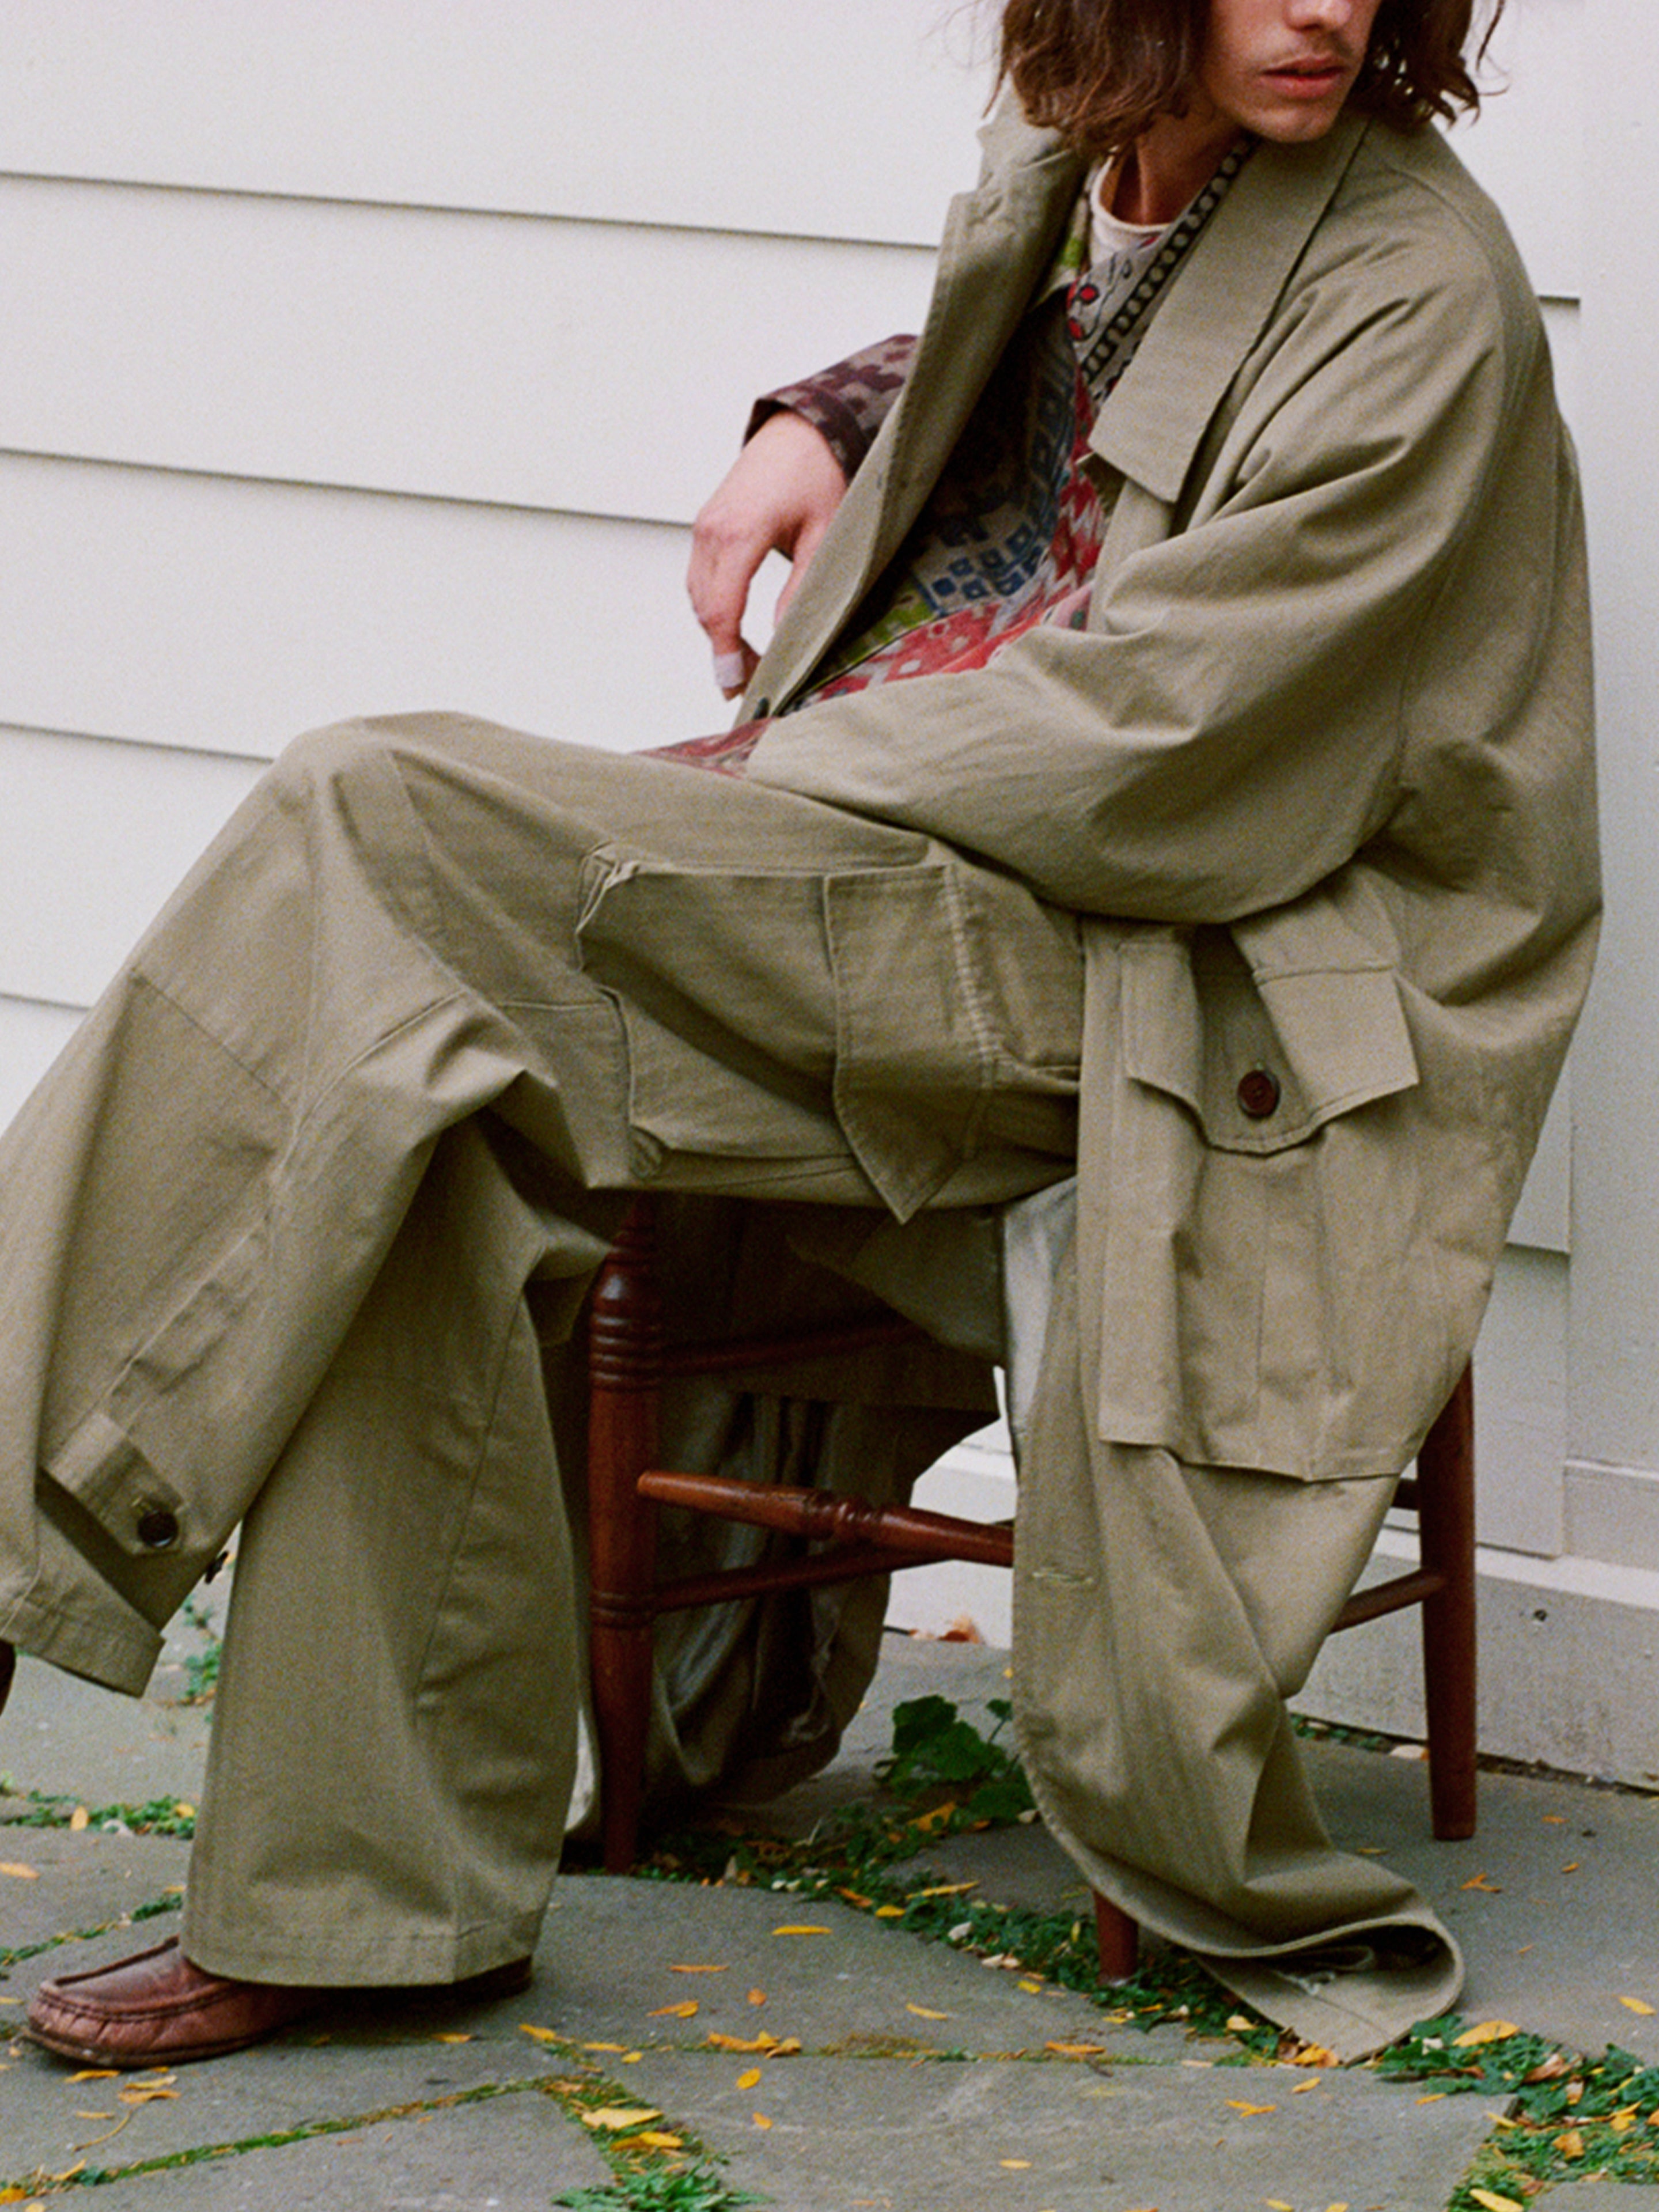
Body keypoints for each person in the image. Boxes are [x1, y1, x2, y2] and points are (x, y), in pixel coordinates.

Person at [3, 0, 1597, 2067]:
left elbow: (1171, 740)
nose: (1325, 6)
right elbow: (1050, 371)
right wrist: (820, 421)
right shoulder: (1101, 173)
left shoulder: (1422, 295)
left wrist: (750, 789)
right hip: (968, 880)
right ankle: (361, 1904)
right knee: (428, 1095)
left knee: (373, 814)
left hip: (1170, 970)